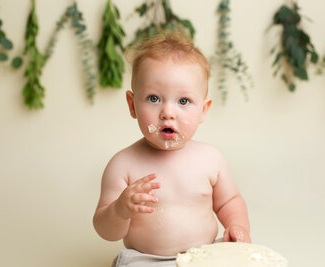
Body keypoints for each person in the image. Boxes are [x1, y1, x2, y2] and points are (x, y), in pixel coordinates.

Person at [93, 31, 251, 267]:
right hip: (146, 259)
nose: (168, 112)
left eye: (183, 101)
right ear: (132, 104)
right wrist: (119, 210)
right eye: (154, 98)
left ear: (203, 110)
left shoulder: (211, 159)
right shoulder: (123, 165)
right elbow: (105, 230)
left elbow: (229, 202)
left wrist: (237, 226)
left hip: (204, 256)